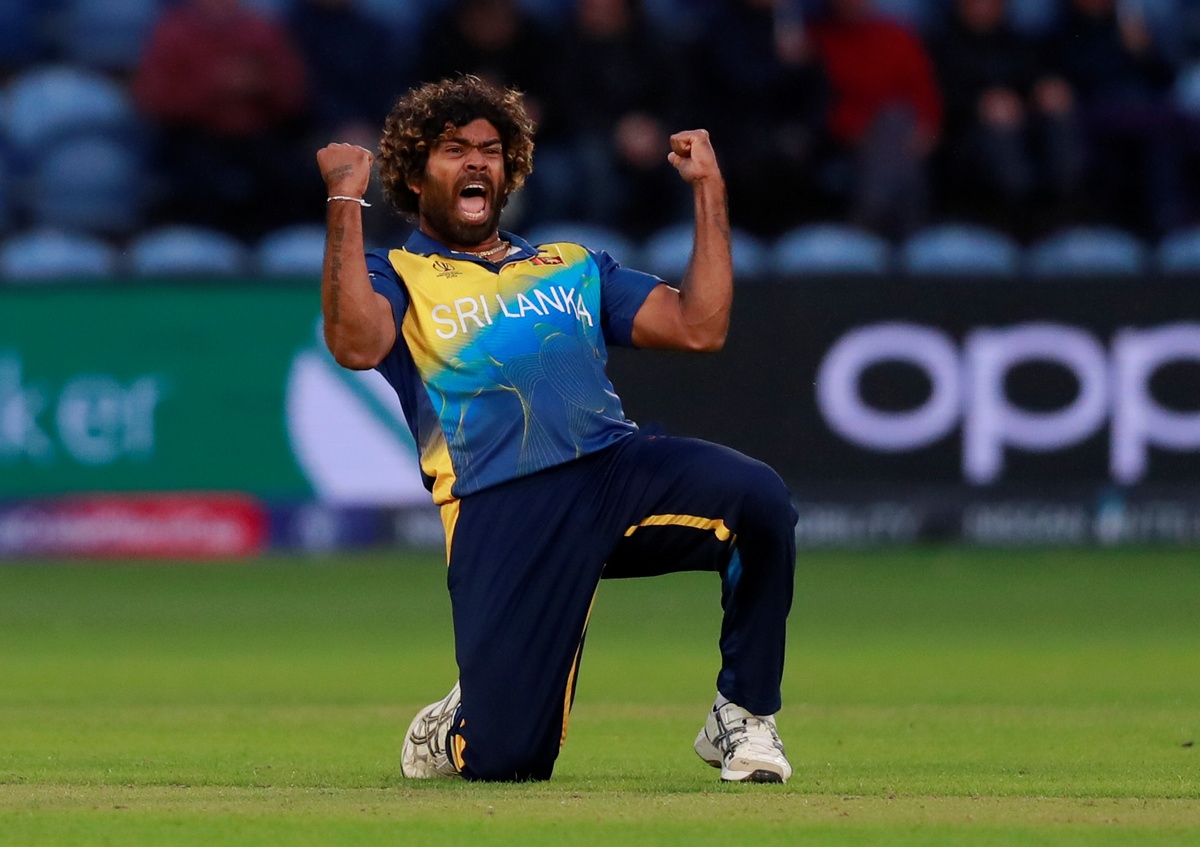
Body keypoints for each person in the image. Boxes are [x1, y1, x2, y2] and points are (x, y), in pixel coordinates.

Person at [316, 76, 798, 783]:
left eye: (490, 150)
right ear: (415, 175)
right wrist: (343, 202)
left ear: (509, 169)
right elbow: (355, 344)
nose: (477, 161)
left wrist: (708, 190)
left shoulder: (571, 265)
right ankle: (459, 723)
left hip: (612, 471)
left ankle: (744, 714)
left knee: (758, 499)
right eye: (453, 149)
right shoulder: (396, 273)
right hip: (500, 502)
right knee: (508, 761)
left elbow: (699, 325)